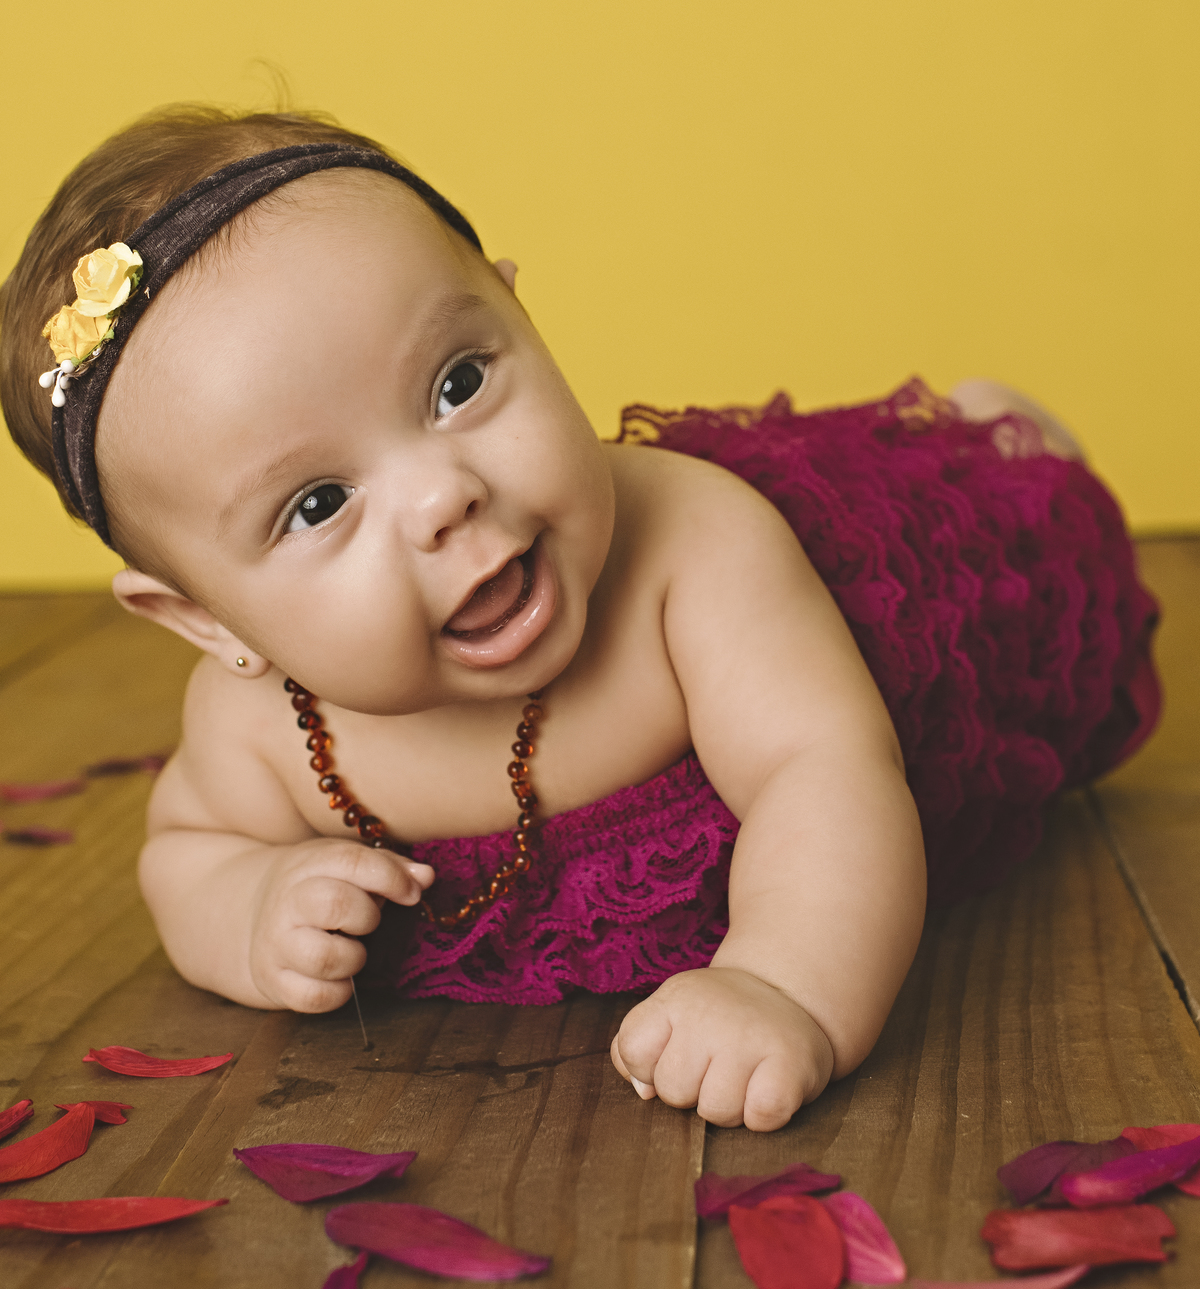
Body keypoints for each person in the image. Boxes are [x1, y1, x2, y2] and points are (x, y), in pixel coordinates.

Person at [0, 106, 1159, 1133]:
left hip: (912, 611)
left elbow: (825, 770)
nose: (443, 495)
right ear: (208, 622)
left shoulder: (695, 550)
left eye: (458, 383)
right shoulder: (257, 728)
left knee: (1021, 527)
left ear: (520, 311)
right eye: (317, 504)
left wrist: (784, 983)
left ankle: (992, 432)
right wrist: (248, 904)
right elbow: (185, 853)